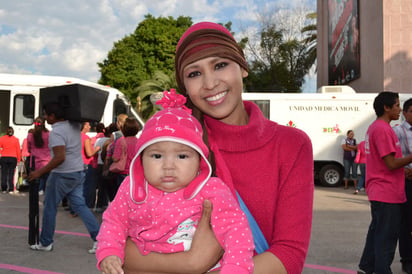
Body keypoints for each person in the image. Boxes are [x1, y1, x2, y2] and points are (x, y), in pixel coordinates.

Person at [123, 22, 314, 274]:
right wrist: (190, 263)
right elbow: (120, 244)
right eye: (194, 73)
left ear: (243, 67)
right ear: (185, 88)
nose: (210, 83)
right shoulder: (174, 147)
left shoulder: (292, 145)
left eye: (220, 65)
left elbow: (289, 254)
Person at [96, 90, 254, 274]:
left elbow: (236, 230)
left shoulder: (211, 189)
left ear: (199, 161)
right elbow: (113, 222)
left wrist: (236, 268)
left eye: (182, 156)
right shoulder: (131, 189)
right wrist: (109, 252)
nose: (168, 166)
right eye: (156, 155)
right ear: (140, 160)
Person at [27, 102, 100, 253]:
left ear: (53, 116)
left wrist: (39, 173)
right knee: (80, 206)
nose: (46, 118)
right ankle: (100, 238)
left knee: (50, 207)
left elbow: (59, 157)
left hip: (62, 174)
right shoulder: (73, 125)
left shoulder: (57, 132)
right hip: (78, 172)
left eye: (47, 115)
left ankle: (46, 242)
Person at [358, 92, 412, 274]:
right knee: (386, 238)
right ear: (386, 108)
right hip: (386, 192)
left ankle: (366, 267)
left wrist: (403, 169)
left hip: (382, 190)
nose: (399, 109)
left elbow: (385, 163)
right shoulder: (382, 129)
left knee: (376, 232)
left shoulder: (377, 127)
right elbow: (390, 163)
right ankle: (381, 270)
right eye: (396, 105)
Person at [393, 98, 412, 274]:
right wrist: (404, 170)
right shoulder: (397, 132)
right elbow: (392, 158)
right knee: (406, 223)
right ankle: (407, 259)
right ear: (405, 113)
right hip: (407, 182)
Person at [111, 117, 139, 188]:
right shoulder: (139, 142)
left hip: (123, 173)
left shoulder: (121, 141)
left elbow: (115, 158)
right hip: (136, 173)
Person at [27, 117, 51, 195]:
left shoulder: (30, 135)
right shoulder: (49, 134)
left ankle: (38, 191)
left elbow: (29, 148)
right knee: (48, 181)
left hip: (35, 163)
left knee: (35, 183)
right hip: (47, 162)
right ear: (44, 123)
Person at [81, 122, 101, 208]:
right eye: (87, 125)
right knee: (87, 186)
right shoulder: (86, 138)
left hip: (76, 163)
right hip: (85, 163)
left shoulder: (74, 136)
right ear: (83, 126)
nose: (90, 127)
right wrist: (96, 149)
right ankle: (86, 205)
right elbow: (89, 153)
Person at [0, 126, 21, 193]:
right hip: (13, 158)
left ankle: (3, 188)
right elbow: (18, 150)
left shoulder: (2, 138)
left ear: (6, 132)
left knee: (4, 173)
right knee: (11, 174)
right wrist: (18, 159)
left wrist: (1, 152)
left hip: (4, 157)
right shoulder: (16, 139)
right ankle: (11, 188)